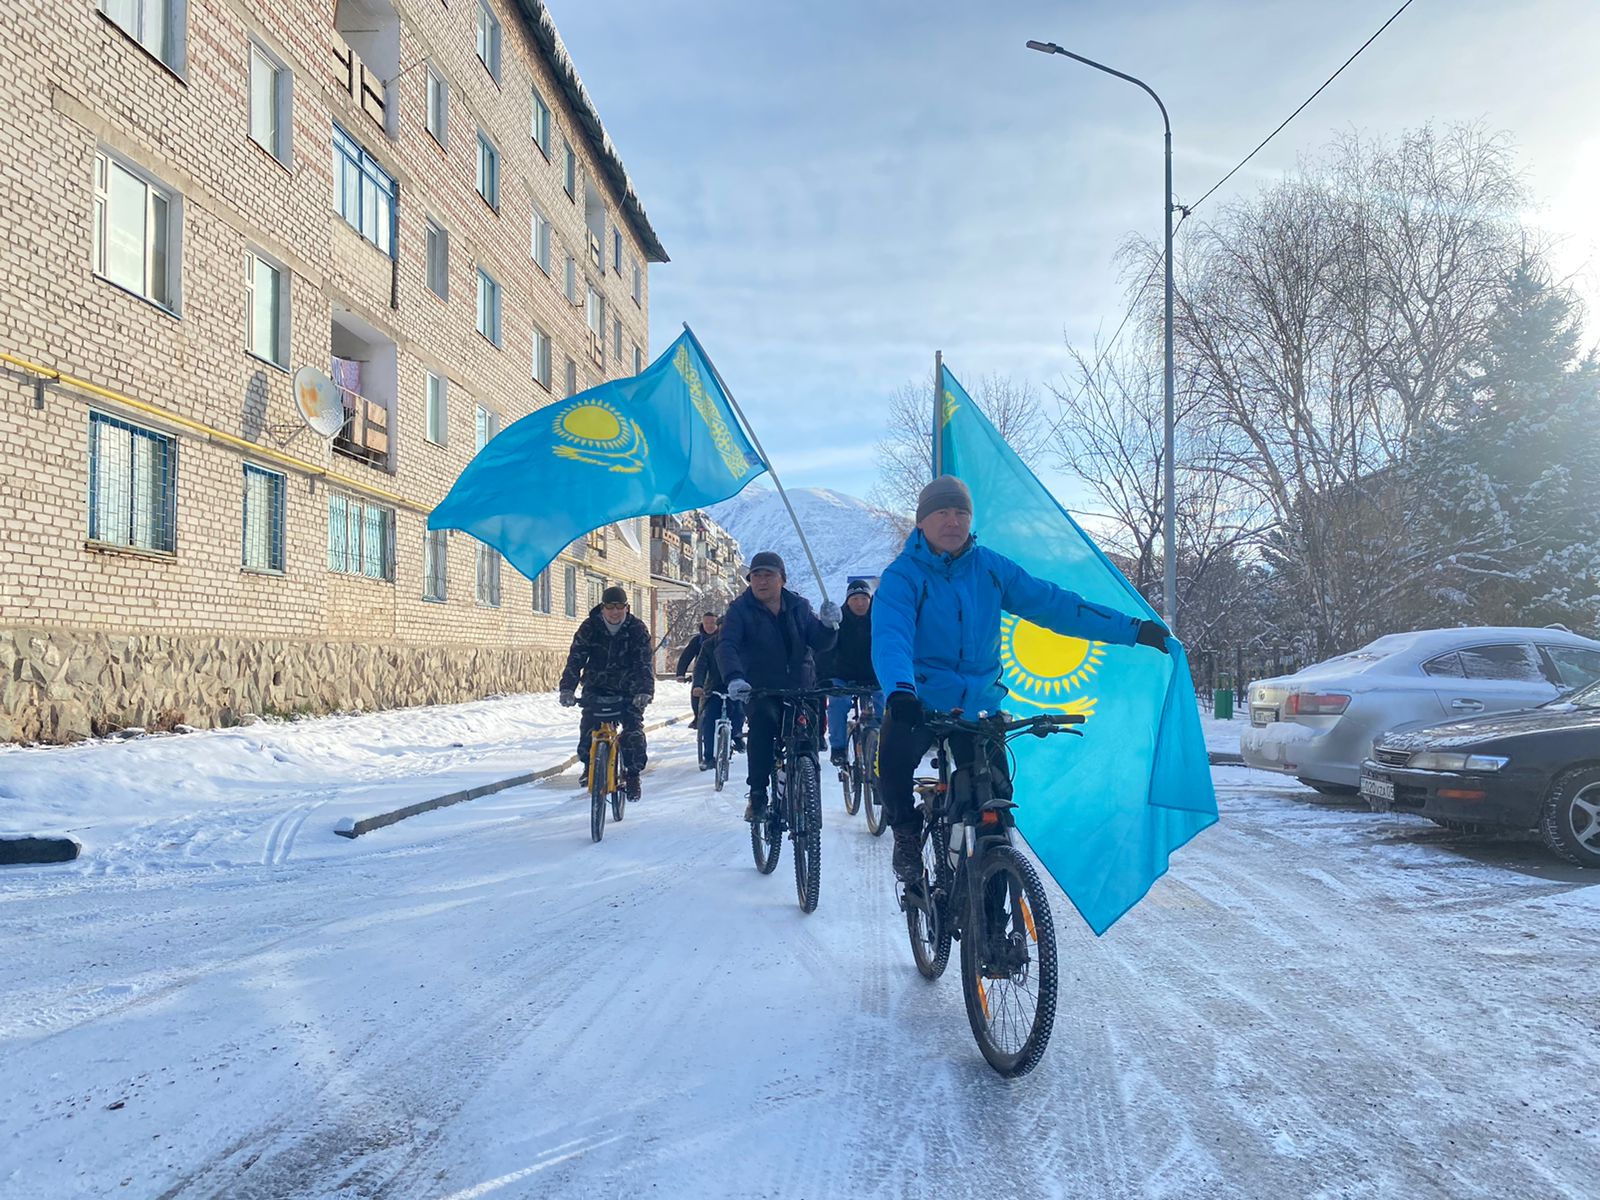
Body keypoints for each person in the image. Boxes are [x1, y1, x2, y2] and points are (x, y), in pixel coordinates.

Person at [871, 475, 1172, 883]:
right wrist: (901, 692)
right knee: (892, 760)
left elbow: (1057, 605)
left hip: (980, 703)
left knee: (995, 802)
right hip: (921, 699)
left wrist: (1132, 630)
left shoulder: (991, 568)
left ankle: (995, 907)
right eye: (942, 512)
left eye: (961, 512)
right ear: (922, 522)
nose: (953, 521)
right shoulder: (902, 577)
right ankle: (905, 835)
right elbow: (892, 637)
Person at [717, 551, 840, 820]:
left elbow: (819, 642)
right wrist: (734, 677)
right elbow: (727, 645)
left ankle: (808, 793)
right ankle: (758, 796)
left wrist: (830, 626)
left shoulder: (799, 607)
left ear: (782, 579)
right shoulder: (740, 610)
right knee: (762, 724)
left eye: (768, 575)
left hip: (800, 688)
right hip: (761, 689)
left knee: (807, 740)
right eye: (755, 576)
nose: (761, 581)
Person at [559, 585, 655, 801]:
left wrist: (644, 691)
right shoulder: (590, 627)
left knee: (632, 732)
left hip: (629, 689)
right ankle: (589, 765)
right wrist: (567, 688)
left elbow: (644, 664)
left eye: (619, 607)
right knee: (588, 728)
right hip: (596, 686)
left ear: (627, 608)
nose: (614, 612)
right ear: (602, 608)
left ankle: (632, 775)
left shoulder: (637, 629)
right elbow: (575, 659)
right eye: (610, 607)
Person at [816, 578, 882, 768]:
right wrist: (824, 678)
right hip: (843, 675)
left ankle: (883, 744)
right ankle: (838, 747)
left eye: (864, 598)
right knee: (838, 704)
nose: (860, 603)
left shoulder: (879, 619)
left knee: (885, 704)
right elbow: (826, 651)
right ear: (847, 601)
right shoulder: (839, 622)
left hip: (874, 676)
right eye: (855, 599)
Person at [691, 616, 746, 768]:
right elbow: (700, 667)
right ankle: (708, 757)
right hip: (714, 688)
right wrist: (698, 685)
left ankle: (736, 735)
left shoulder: (741, 645)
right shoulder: (709, 645)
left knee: (738, 711)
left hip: (735, 686)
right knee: (709, 719)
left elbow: (749, 665)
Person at [676, 611, 719, 724]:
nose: (709, 626)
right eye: (706, 623)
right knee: (696, 692)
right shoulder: (697, 640)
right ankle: (697, 717)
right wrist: (680, 673)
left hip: (719, 673)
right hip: (701, 672)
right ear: (702, 624)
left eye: (712, 623)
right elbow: (686, 656)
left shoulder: (723, 639)